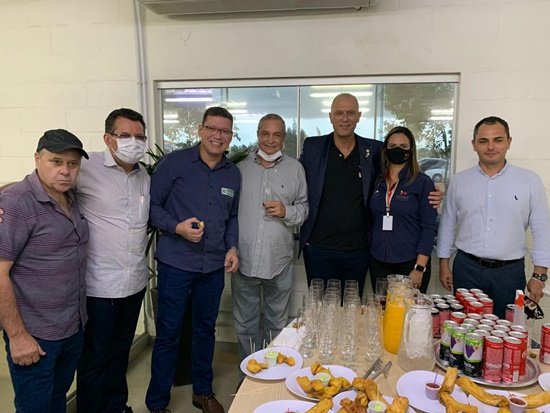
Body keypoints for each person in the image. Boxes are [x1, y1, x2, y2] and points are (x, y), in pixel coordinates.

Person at [146, 106, 240, 413]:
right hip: (176, 263)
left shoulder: (232, 174)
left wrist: (232, 247)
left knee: (205, 330)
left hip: (212, 267)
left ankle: (203, 392)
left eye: (224, 131)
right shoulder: (174, 163)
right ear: (200, 130)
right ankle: (157, 403)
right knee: (169, 333)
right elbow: (152, 207)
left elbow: (232, 216)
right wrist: (177, 227)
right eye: (212, 128)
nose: (217, 135)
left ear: (230, 136)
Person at [0, 129, 89, 413]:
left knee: (56, 399)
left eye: (72, 164)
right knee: (35, 407)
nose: (65, 171)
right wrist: (17, 336)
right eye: (56, 161)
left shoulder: (71, 198)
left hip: (71, 327)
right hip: (35, 335)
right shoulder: (16, 203)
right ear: (37, 159)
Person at [437, 116, 550, 318]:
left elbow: (542, 230)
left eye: (498, 140)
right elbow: (448, 223)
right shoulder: (459, 181)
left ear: (509, 142)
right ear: (474, 144)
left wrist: (539, 276)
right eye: (483, 141)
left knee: (507, 328)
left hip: (509, 274)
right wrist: (444, 263)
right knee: (464, 329)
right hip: (467, 269)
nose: (490, 147)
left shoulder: (529, 181)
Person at [76, 108, 150, 413]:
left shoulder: (144, 176)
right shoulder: (85, 167)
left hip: (134, 283)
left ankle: (116, 406)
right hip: (99, 286)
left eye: (140, 137)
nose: (134, 142)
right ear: (108, 139)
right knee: (95, 357)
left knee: (120, 352)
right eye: (125, 135)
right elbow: (42, 183)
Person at [232, 114, 308, 360]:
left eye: (276, 135)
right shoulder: (240, 168)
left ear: (283, 138)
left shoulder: (295, 169)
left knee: (277, 322)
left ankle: (273, 370)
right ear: (258, 135)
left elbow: (304, 209)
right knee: (245, 323)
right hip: (244, 259)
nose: (270, 140)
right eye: (265, 133)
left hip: (279, 261)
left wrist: (286, 211)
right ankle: (250, 371)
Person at [368, 126, 438, 293]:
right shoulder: (376, 180)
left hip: (410, 262)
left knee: (408, 309)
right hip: (378, 259)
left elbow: (429, 227)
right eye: (392, 146)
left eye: (403, 146)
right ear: (385, 149)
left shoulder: (422, 182)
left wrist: (419, 267)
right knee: (382, 308)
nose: (397, 150)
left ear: (411, 150)